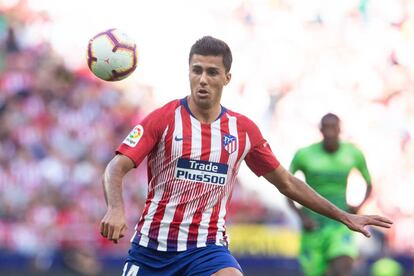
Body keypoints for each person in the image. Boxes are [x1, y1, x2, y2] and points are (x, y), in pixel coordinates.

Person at [100, 36, 392, 276]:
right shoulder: (163, 119)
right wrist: (115, 208)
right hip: (152, 249)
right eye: (196, 70)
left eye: (211, 72)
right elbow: (116, 167)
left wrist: (343, 216)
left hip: (207, 249)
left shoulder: (243, 131)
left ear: (227, 78)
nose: (202, 79)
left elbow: (287, 184)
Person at [288, 113, 374, 276]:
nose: (329, 133)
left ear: (339, 130)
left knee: (342, 267)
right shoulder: (304, 155)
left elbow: (369, 184)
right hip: (314, 226)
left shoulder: (353, 153)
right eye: (325, 128)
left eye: (333, 128)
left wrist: (357, 206)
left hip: (340, 223)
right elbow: (286, 186)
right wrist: (302, 216)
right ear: (320, 130)